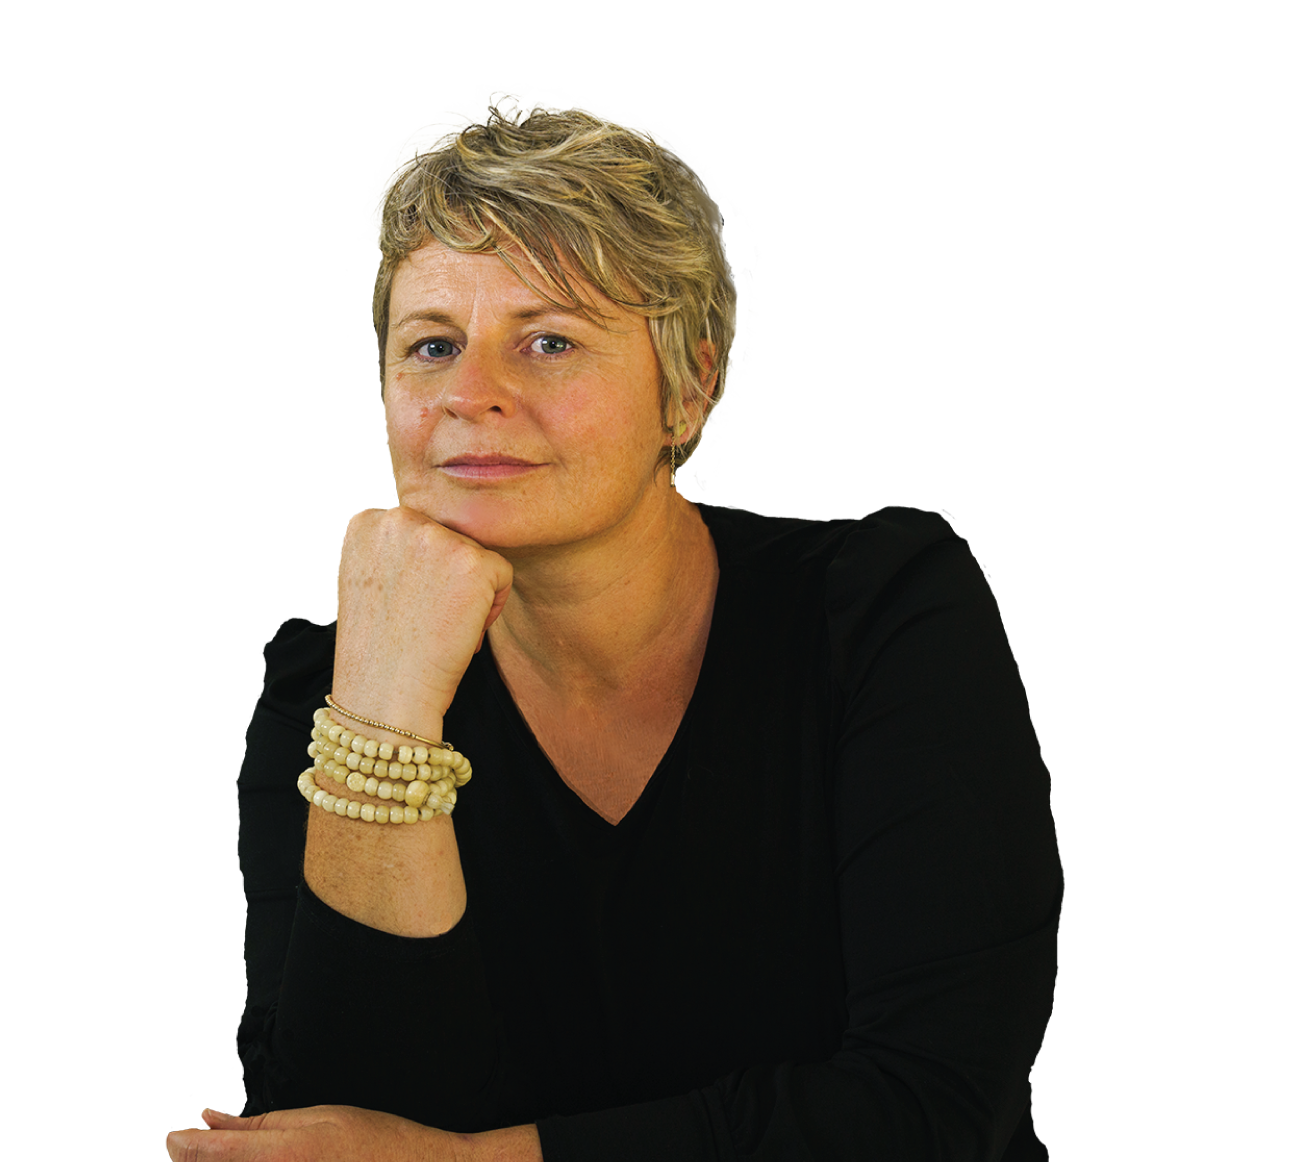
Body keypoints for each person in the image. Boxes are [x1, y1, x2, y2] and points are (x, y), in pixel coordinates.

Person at [174, 96, 1062, 1161]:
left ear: (689, 386)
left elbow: (934, 1109)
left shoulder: (883, 608)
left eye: (548, 340)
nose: (468, 394)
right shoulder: (328, 681)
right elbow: (331, 1127)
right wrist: (385, 707)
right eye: (431, 345)